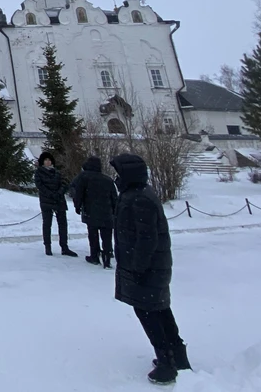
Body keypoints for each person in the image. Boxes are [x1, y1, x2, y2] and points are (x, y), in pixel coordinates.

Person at [111, 153, 190, 384]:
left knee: (149, 313)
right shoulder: (136, 195)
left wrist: (137, 267)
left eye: (119, 173)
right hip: (151, 267)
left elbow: (147, 239)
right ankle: (177, 356)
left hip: (147, 269)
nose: (116, 178)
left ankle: (167, 363)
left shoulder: (139, 199)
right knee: (159, 309)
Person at [72, 155, 118, 268]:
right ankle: (107, 258)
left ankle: (94, 256)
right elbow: (114, 198)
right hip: (107, 212)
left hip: (91, 211)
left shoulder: (84, 177)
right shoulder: (107, 179)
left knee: (93, 235)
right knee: (106, 236)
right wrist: (115, 211)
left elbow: (79, 194)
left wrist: (77, 206)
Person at [35, 152, 78, 257]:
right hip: (46, 201)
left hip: (59, 200)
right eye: (45, 160)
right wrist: (50, 194)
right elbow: (40, 186)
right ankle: (48, 246)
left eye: (49, 160)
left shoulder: (57, 172)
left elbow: (64, 183)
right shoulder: (39, 173)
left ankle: (64, 247)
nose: (48, 162)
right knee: (47, 224)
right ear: (42, 162)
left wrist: (59, 193)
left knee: (63, 224)